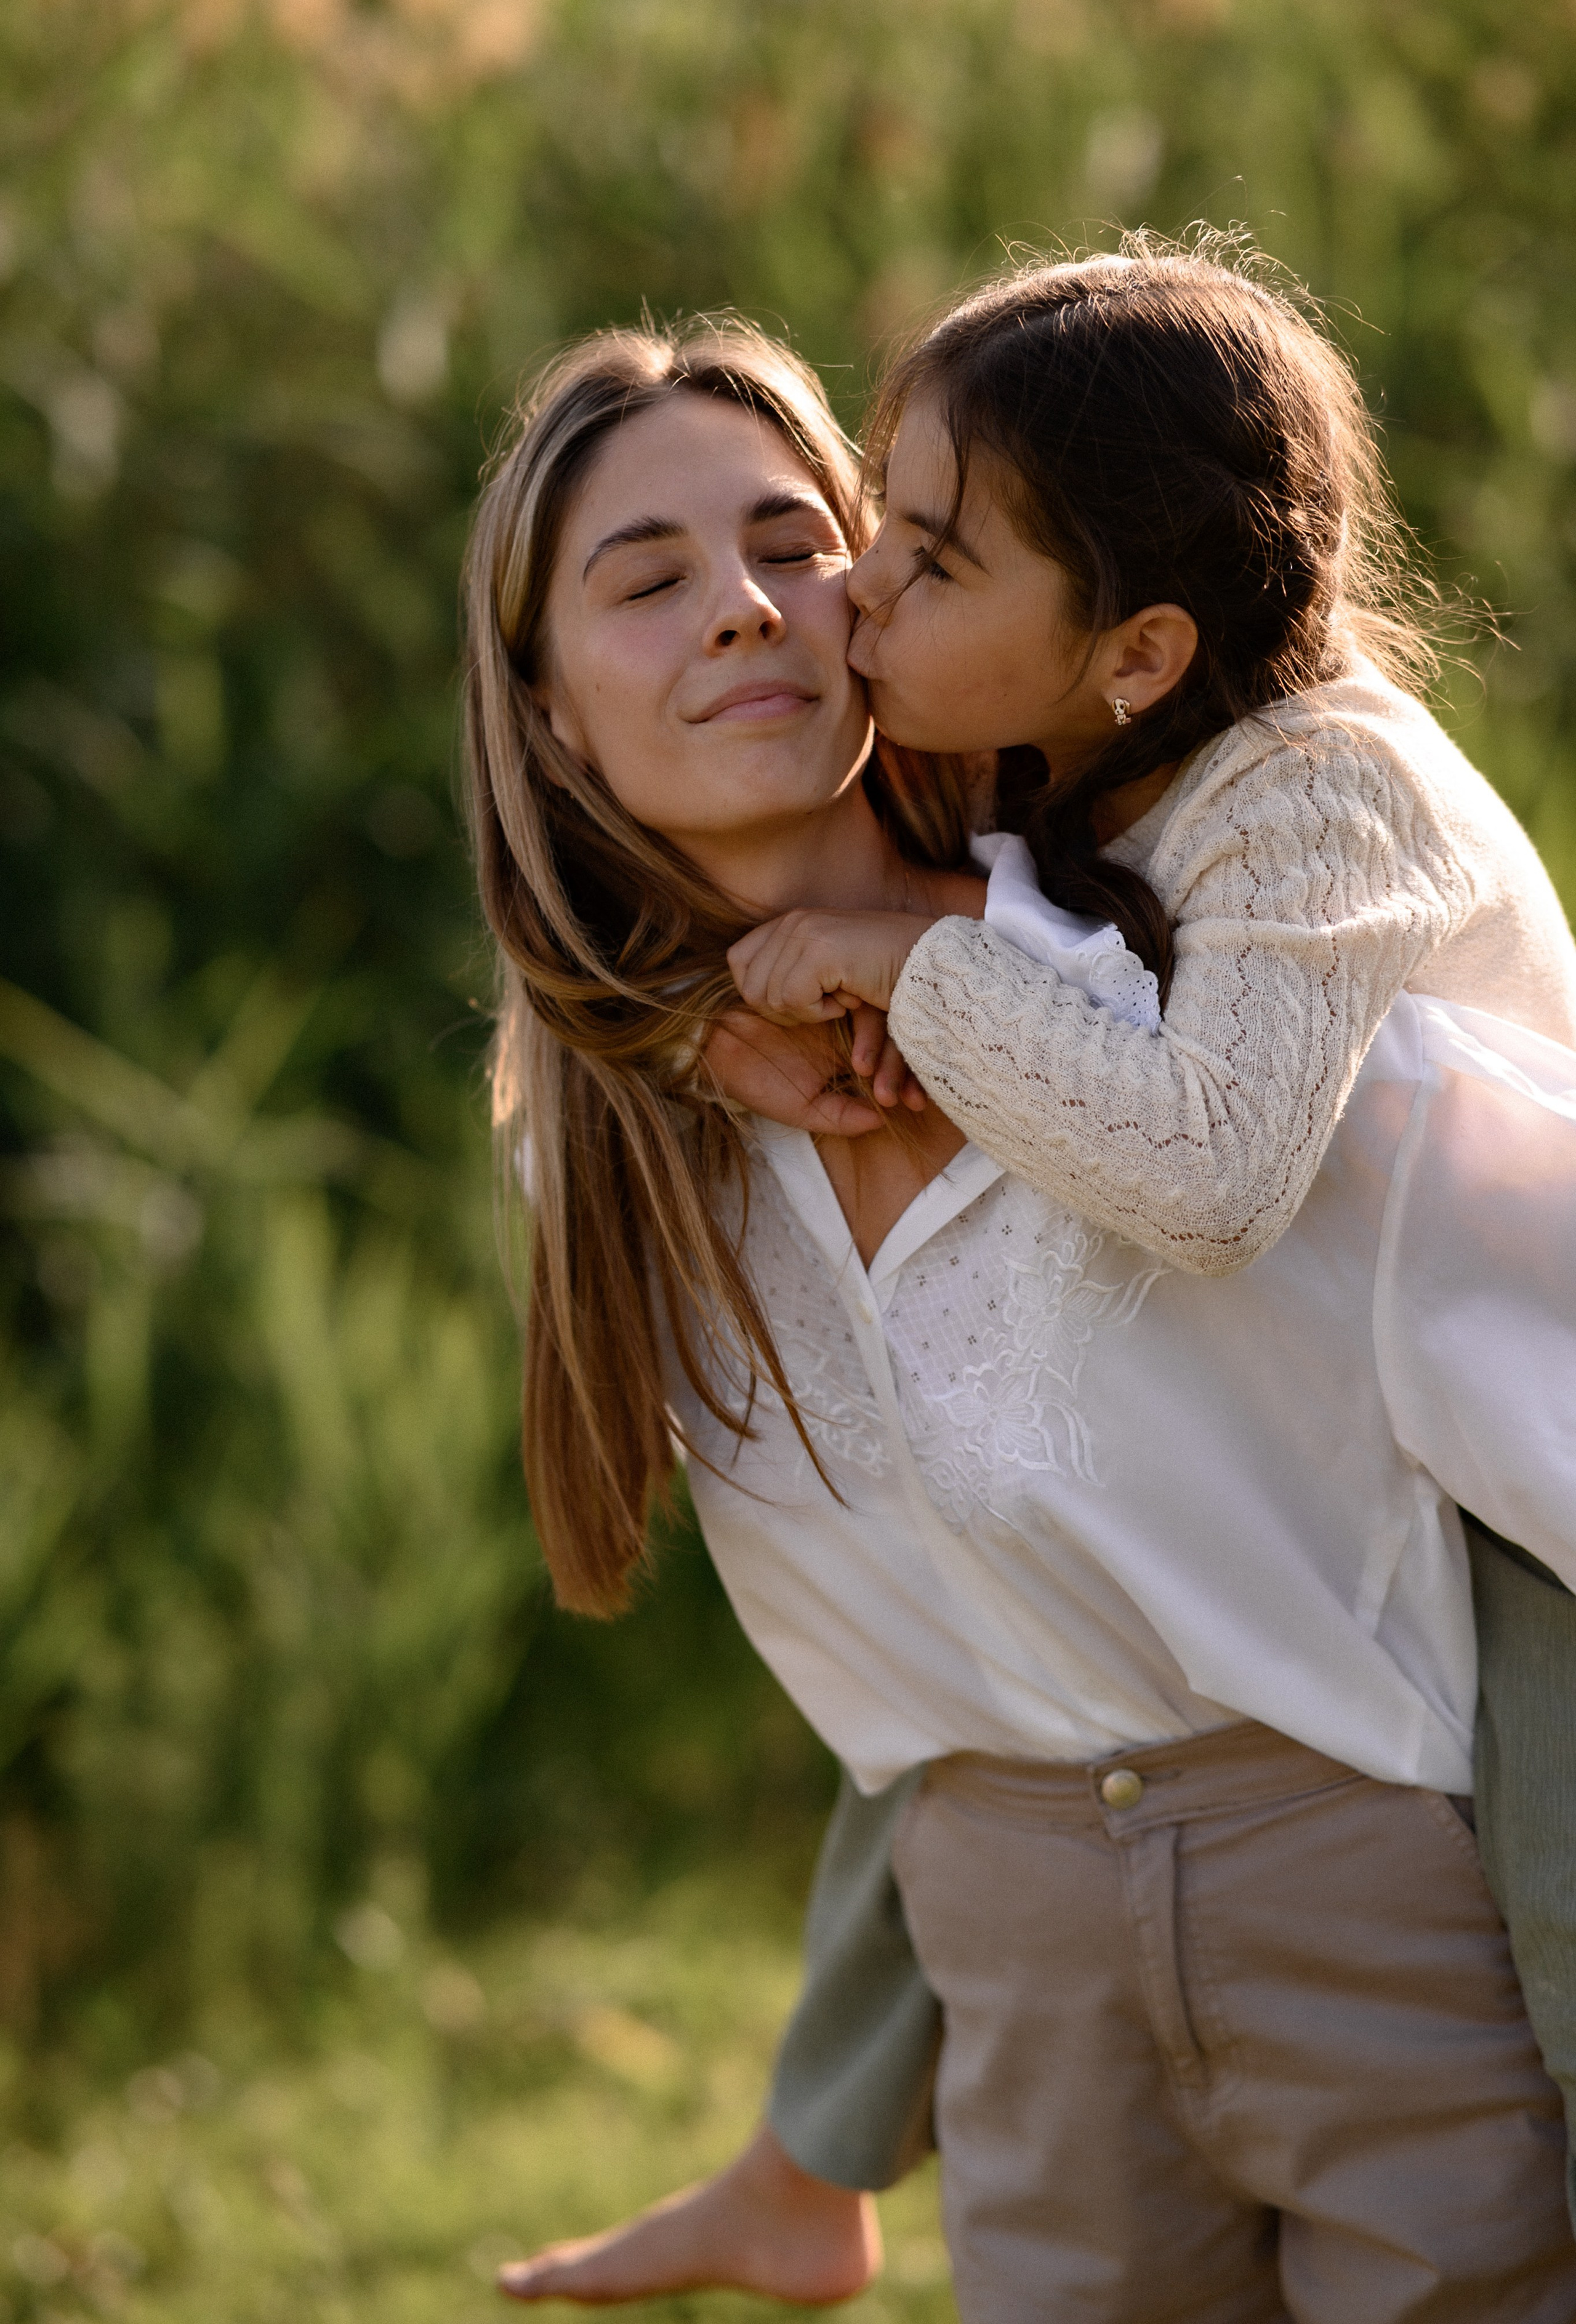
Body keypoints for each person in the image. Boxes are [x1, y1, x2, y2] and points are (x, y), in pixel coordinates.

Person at [463, 292, 1576, 2319]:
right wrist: (701, 1029)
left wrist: (915, 959)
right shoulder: (607, 1143)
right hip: (1013, 1952)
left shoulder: (1191, 978)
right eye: (648, 581)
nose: (749, 606)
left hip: (1374, 1885)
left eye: (801, 542)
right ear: (542, 706)